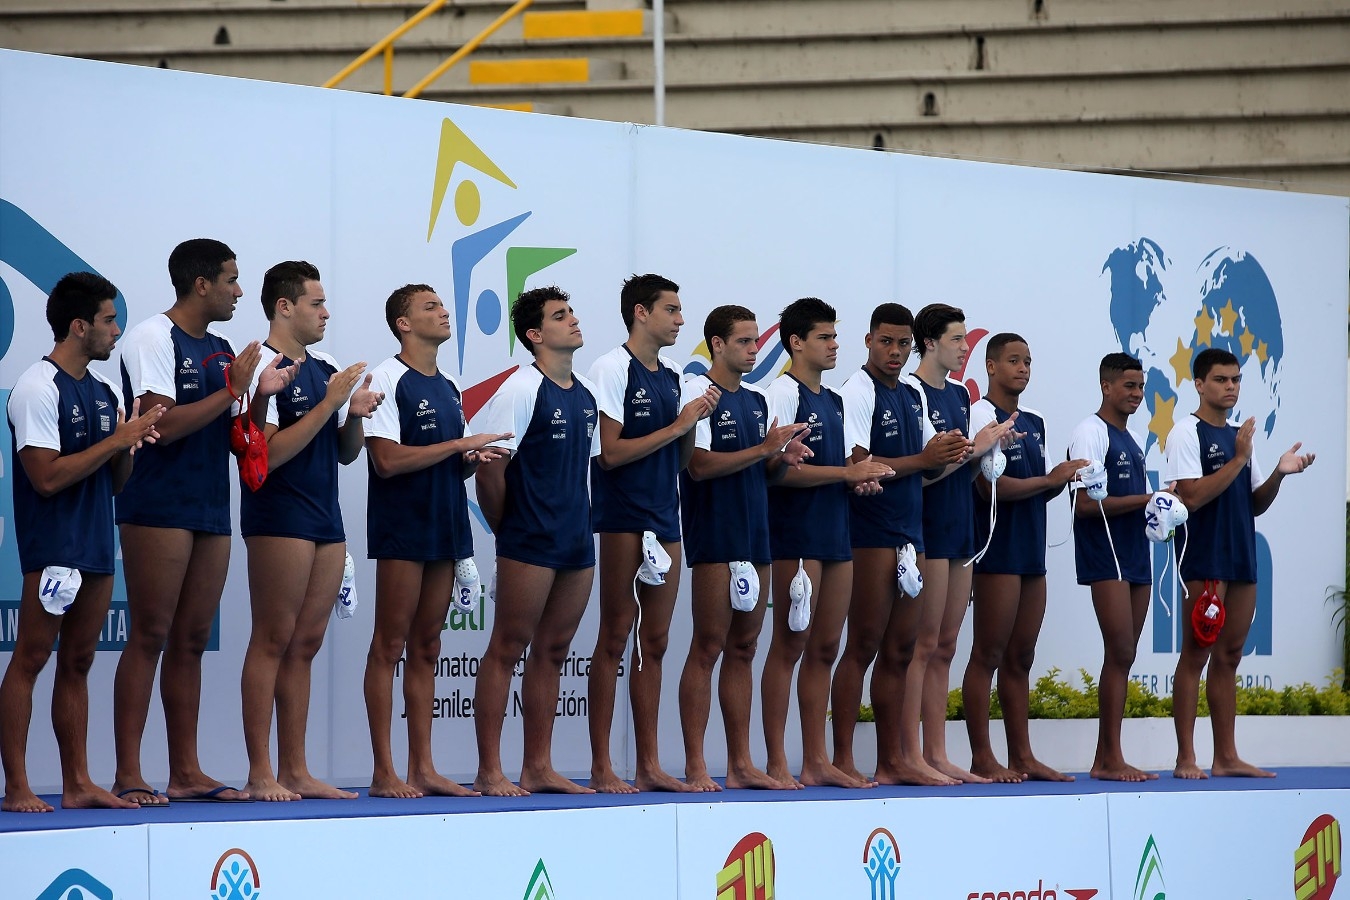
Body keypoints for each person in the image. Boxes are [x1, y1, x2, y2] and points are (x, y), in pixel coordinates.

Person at [111, 239, 293, 806]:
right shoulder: (151, 337)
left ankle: (185, 770)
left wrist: (255, 397)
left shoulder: (219, 349)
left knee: (191, 639)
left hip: (213, 505)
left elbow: (239, 431)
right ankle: (128, 773)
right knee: (149, 634)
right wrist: (234, 391)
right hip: (159, 504)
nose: (241, 291)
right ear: (201, 284)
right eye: (233, 280)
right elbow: (158, 425)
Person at [1, 272, 164, 812]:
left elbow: (113, 483)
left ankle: (78, 782)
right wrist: (115, 440)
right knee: (30, 659)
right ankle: (18, 786)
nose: (116, 330)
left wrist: (127, 448)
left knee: (79, 661)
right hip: (54, 547)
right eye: (109, 320)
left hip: (97, 543)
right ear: (79, 326)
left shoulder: (104, 391)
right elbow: (45, 478)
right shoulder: (35, 388)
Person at [240, 260, 382, 802]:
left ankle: (295, 769)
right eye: (316, 303)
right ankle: (260, 773)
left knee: (305, 645)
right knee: (272, 640)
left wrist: (353, 415)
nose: (326, 312)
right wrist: (329, 404)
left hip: (326, 518)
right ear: (284, 306)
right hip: (280, 518)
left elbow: (346, 456)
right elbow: (268, 456)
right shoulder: (262, 369)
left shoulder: (326, 366)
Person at [362, 284, 510, 799]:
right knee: (389, 645)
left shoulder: (447, 383)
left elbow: (446, 459)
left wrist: (471, 460)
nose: (444, 312)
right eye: (430, 307)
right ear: (403, 323)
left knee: (428, 646)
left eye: (444, 306)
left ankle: (421, 767)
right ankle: (384, 772)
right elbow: (386, 460)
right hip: (403, 526)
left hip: (446, 525)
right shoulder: (385, 377)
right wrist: (457, 446)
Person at [584, 274, 719, 794]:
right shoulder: (611, 368)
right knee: (615, 636)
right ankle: (601, 765)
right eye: (672, 310)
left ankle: (648, 763)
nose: (681, 321)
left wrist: (691, 425)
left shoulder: (673, 378)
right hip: (623, 517)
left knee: (655, 642)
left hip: (666, 518)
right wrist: (678, 424)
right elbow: (610, 454)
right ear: (641, 312)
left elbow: (682, 459)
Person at [471, 285, 600, 797]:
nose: (572, 320)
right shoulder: (521, 389)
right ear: (534, 334)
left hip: (575, 540)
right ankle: (489, 769)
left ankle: (538, 766)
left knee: (554, 650)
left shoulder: (587, 394)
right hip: (529, 538)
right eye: (559, 315)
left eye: (572, 311)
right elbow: (488, 473)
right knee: (507, 648)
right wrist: (511, 529)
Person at [831, 303, 967, 786]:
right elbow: (860, 462)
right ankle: (843, 758)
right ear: (868, 341)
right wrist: (921, 459)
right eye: (885, 341)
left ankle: (894, 760)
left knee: (902, 650)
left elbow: (932, 460)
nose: (894, 351)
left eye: (903, 343)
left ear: (915, 345)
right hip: (871, 534)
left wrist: (955, 450)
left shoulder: (911, 393)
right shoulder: (858, 389)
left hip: (913, 534)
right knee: (863, 645)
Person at [677, 305, 810, 792]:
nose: (755, 350)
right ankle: (695, 764)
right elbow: (698, 465)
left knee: (745, 648)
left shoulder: (756, 401)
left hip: (758, 534)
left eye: (757, 342)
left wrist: (782, 457)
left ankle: (740, 763)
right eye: (744, 342)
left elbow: (764, 471)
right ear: (716, 344)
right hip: (716, 533)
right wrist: (763, 449)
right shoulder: (699, 394)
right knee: (708, 646)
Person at [761, 297, 893, 789]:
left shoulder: (835, 401)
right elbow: (773, 472)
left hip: (837, 536)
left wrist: (857, 480)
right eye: (824, 337)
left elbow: (833, 471)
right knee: (788, 646)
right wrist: (845, 472)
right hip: (796, 537)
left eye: (836, 336)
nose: (835, 345)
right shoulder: (781, 393)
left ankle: (816, 759)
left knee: (825, 648)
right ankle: (777, 760)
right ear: (796, 342)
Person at [1166, 347, 1313, 779]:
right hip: (1204, 558)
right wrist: (1238, 459)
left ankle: (1226, 757)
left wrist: (1280, 474)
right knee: (1196, 655)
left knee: (1229, 655)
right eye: (1221, 380)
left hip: (1241, 557)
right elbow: (1190, 497)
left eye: (1236, 380)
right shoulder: (1186, 433)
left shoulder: (1239, 437)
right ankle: (1185, 758)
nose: (1231, 387)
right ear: (1199, 384)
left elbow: (1254, 504)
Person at [963, 333, 1086, 783]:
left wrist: (1064, 477)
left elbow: (1044, 486)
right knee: (988, 653)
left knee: (1022, 656)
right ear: (990, 366)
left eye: (1029, 362)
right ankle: (982, 757)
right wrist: (1048, 480)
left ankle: (1023, 756)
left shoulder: (1035, 421)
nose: (1023, 369)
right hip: (997, 549)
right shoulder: (980, 415)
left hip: (1033, 550)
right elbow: (988, 487)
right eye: (1014, 360)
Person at [905, 303, 1015, 785]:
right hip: (925, 527)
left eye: (966, 339)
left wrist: (982, 453)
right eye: (955, 339)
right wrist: (975, 446)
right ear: (928, 342)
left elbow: (960, 468)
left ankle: (938, 752)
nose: (965, 347)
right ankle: (912, 753)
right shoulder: (910, 392)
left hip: (960, 529)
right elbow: (924, 473)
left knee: (946, 645)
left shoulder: (959, 397)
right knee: (921, 643)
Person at [1067, 352, 1156, 782]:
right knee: (1119, 650)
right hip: (1107, 554)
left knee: (1125, 654)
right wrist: (1147, 499)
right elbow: (1085, 504)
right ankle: (1110, 758)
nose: (1137, 394)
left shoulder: (1133, 440)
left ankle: (1106, 758)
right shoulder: (1090, 433)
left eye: (1141, 386)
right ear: (1106, 386)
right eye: (1129, 386)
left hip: (1137, 553)